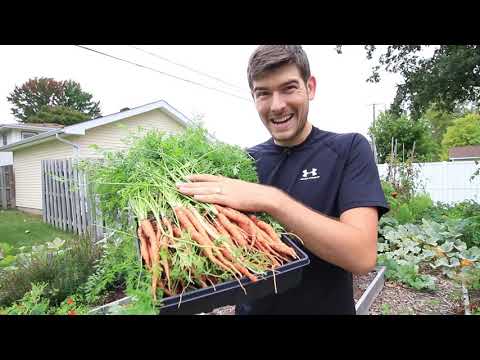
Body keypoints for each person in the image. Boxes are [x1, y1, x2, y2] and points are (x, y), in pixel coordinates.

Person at [177, 45, 389, 315]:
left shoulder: (348, 149)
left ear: (310, 88)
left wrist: (272, 200)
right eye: (263, 93)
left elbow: (361, 256)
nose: (277, 106)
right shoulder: (242, 164)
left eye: (289, 88)